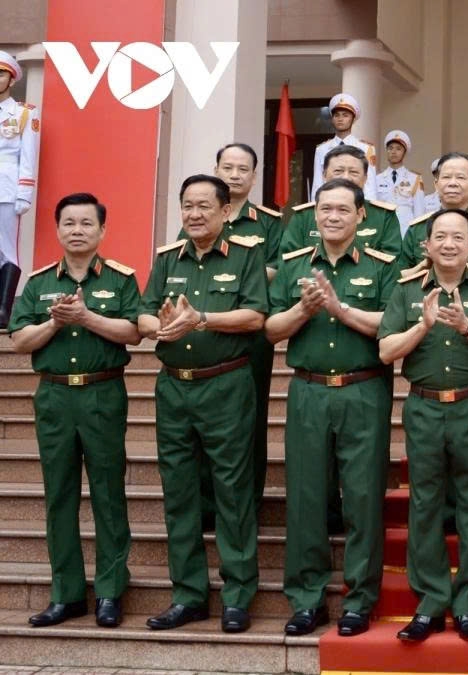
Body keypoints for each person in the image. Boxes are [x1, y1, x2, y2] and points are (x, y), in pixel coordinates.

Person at [266, 178, 399, 638]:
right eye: (325, 210)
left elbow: (393, 323)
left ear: (361, 216)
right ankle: (307, 600)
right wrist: (304, 309)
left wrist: (341, 310)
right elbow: (270, 329)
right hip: (308, 391)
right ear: (314, 215)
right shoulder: (293, 266)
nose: (333, 217)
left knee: (363, 498)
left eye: (343, 210)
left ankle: (359, 599)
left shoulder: (384, 265)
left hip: (364, 390)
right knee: (305, 498)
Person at [138, 175, 267, 633]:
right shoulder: (167, 260)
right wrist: (159, 326)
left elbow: (255, 316)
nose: (194, 214)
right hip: (173, 388)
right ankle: (188, 594)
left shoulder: (247, 256)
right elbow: (143, 311)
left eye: (203, 206)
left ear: (225, 211)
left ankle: (237, 595)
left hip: (225, 385)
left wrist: (202, 319)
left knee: (232, 492)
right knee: (179, 493)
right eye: (187, 205)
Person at [380, 209, 468, 643]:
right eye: (441, 236)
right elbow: (386, 351)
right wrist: (423, 325)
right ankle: (432, 601)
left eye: (459, 237)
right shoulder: (405, 291)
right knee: (425, 504)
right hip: (423, 408)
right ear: (427, 245)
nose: (450, 244)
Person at [11, 193, 139, 629]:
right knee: (59, 496)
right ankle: (66, 593)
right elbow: (19, 340)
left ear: (102, 230)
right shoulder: (39, 281)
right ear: (58, 229)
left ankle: (109, 591)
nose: (78, 230)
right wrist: (54, 323)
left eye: (87, 223)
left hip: (102, 394)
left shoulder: (121, 279)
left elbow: (133, 331)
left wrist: (85, 317)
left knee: (108, 492)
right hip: (54, 398)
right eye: (69, 223)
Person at [187, 143, 282, 528]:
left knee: (250, 416)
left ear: (254, 176)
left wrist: (238, 288)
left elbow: (277, 269)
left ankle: (249, 500)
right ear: (216, 167)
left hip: (248, 334)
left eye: (244, 169)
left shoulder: (269, 222)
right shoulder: (199, 214)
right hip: (204, 333)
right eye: (228, 166)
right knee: (204, 419)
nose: (235, 174)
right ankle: (206, 502)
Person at [398, 152, 468, 276]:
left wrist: (458, 264)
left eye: (460, 177)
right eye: (446, 177)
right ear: (436, 184)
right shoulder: (417, 229)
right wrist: (424, 265)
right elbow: (399, 276)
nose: (452, 183)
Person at [283, 145, 403, 257]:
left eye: (353, 172)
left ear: (365, 178)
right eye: (338, 171)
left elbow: (392, 265)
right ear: (324, 175)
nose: (346, 177)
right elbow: (288, 263)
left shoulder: (384, 216)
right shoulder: (304, 216)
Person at [0, 50, 40, 327]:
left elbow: (29, 156)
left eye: (1, 74)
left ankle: (3, 309)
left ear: (11, 79)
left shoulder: (24, 113)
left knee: (7, 249)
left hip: (6, 186)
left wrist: (24, 193)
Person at [311, 93, 377, 200]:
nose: (340, 119)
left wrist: (369, 212)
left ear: (353, 119)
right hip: (330, 203)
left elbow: (370, 185)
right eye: (337, 115)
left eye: (345, 115)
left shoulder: (366, 149)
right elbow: (317, 184)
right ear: (332, 119)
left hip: (356, 204)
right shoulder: (321, 149)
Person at [374, 130, 426, 232]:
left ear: (404, 152)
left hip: (405, 230)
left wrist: (417, 235)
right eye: (390, 148)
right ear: (387, 151)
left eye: (398, 149)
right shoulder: (377, 179)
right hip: (384, 230)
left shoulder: (414, 178)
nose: (394, 152)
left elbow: (419, 211)